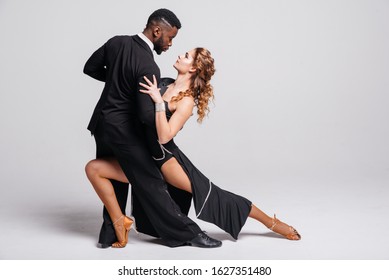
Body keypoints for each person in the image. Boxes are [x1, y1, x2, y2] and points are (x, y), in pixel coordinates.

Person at [85, 47, 301, 248]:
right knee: (94, 169)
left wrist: (158, 101)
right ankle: (119, 219)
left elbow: (164, 135)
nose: (180, 56)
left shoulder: (186, 101)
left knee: (215, 195)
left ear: (194, 68)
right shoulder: (163, 83)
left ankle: (271, 223)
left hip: (166, 161)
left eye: (186, 56)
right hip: (141, 157)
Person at [83, 9, 221, 248]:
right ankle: (189, 234)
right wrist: (155, 103)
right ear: (157, 31)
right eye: (170, 38)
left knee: (114, 175)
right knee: (152, 183)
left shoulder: (116, 42)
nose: (170, 44)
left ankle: (111, 234)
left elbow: (90, 68)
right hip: (124, 130)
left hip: (101, 125)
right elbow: (147, 116)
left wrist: (120, 81)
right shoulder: (149, 66)